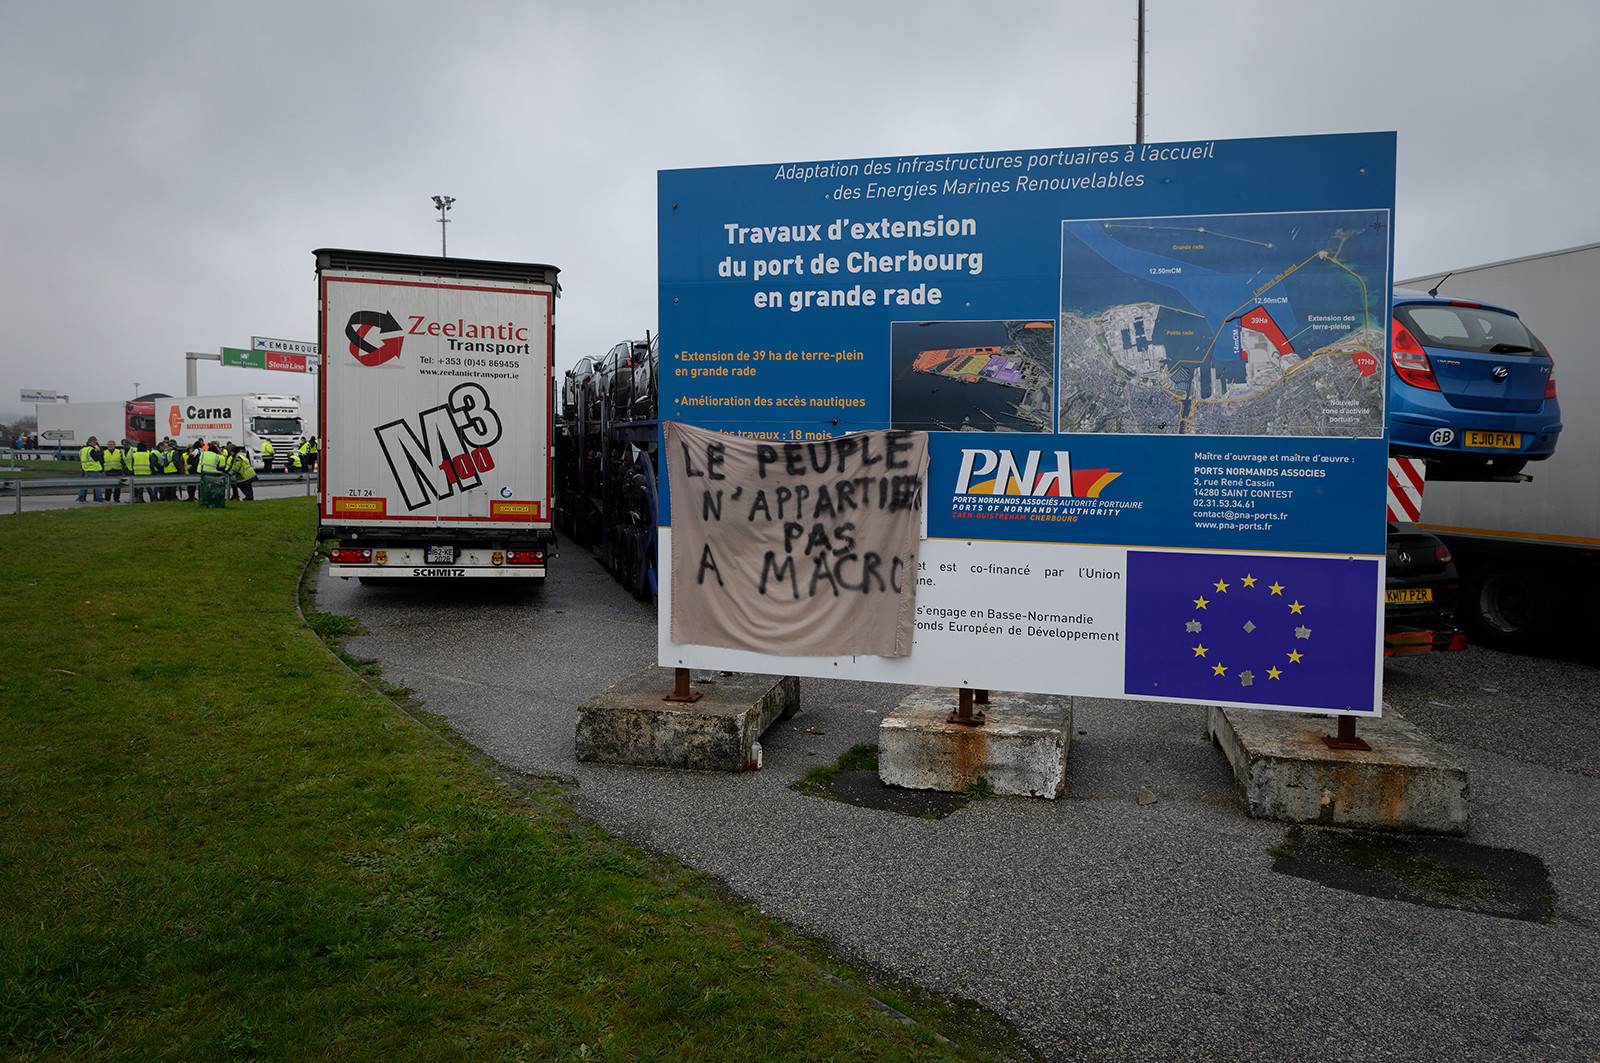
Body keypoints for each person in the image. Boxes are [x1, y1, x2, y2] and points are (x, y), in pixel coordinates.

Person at [76, 436, 104, 502]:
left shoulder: (82, 450)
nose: (96, 444)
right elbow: (96, 458)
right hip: (94, 469)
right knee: (97, 486)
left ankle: (80, 498)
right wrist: (98, 451)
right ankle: (99, 498)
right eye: (96, 442)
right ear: (93, 442)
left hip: (85, 469)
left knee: (84, 486)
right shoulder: (91, 450)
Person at [102, 438, 125, 503]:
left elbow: (123, 460)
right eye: (108, 445)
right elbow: (101, 461)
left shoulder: (119, 452)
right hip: (108, 471)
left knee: (117, 487)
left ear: (114, 445)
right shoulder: (104, 452)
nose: (110, 446)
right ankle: (107, 499)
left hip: (117, 470)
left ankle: (116, 499)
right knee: (108, 486)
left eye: (111, 444)